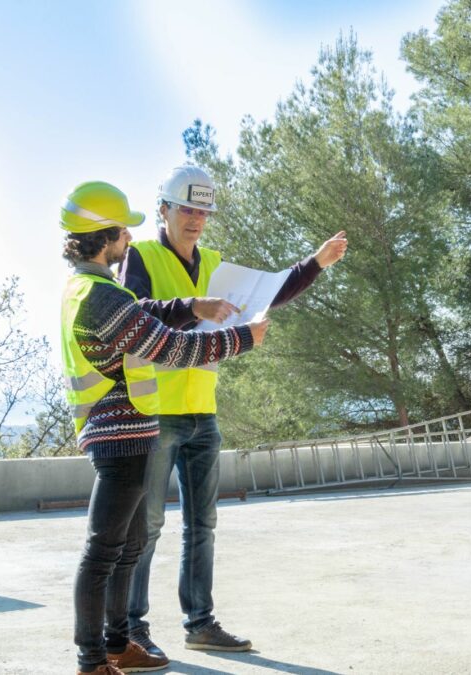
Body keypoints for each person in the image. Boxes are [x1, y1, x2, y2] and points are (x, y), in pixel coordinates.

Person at [119, 165, 347, 656]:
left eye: (203, 211)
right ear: (164, 210)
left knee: (203, 524)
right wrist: (193, 306)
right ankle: (132, 630)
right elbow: (134, 314)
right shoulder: (139, 255)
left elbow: (265, 293)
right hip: (155, 412)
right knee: (147, 525)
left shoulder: (215, 261)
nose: (197, 219)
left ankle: (199, 624)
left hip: (203, 411)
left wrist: (317, 263)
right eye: (187, 209)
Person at [59, 180, 268, 674]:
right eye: (123, 232)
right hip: (118, 438)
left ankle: (119, 643)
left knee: (129, 545)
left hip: (131, 433)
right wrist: (242, 338)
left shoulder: (96, 290)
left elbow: (145, 313)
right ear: (105, 235)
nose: (129, 239)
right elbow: (171, 347)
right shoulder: (101, 296)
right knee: (102, 553)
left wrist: (194, 306)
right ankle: (92, 662)